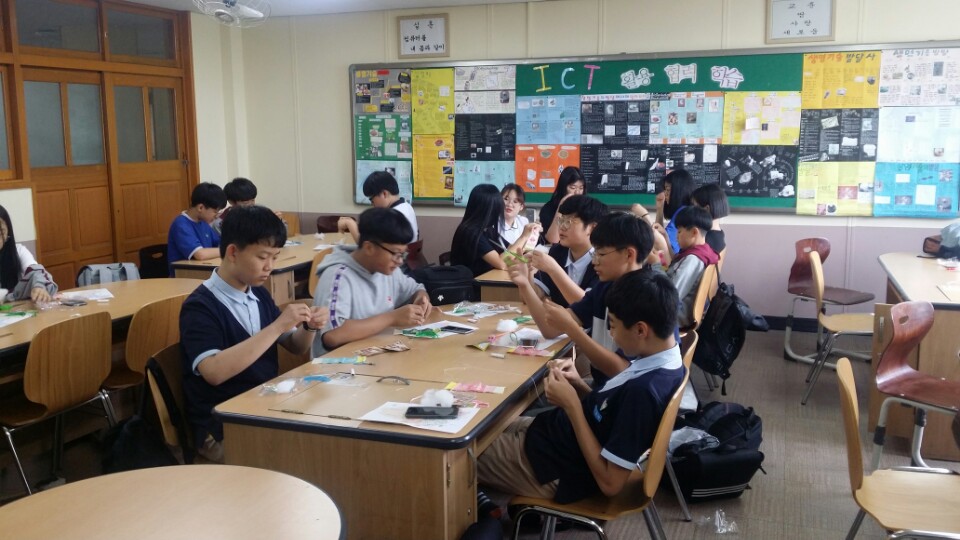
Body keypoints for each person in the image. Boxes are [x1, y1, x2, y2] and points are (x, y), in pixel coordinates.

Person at [477, 268, 685, 504]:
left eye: (613, 325)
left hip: (555, 466)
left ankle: (476, 509)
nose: (611, 334)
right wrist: (577, 384)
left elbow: (611, 484)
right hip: (554, 438)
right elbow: (609, 414)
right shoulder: (662, 360)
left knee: (453, 454)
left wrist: (572, 406)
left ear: (640, 330)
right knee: (486, 422)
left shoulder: (644, 392)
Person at [180, 205, 329, 462]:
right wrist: (277, 326)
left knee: (325, 431)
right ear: (233, 252)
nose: (270, 266)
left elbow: (296, 347)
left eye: (275, 257)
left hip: (263, 406)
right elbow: (214, 372)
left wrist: (310, 326)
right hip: (223, 425)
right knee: (306, 454)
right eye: (262, 257)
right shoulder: (200, 306)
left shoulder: (258, 293)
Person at [507, 212, 654, 389]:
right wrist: (524, 285)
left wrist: (571, 328)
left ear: (629, 255)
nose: (594, 262)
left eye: (601, 254)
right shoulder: (603, 288)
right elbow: (550, 329)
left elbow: (622, 371)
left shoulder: (645, 297)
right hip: (603, 389)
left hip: (624, 394)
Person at [312, 207, 432, 356]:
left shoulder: (387, 270)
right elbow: (333, 336)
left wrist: (421, 299)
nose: (400, 261)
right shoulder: (338, 276)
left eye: (403, 254)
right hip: (339, 364)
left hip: (376, 358)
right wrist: (392, 318)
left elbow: (416, 289)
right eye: (395, 253)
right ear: (369, 248)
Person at [527, 195, 608, 307]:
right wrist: (526, 277)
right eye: (561, 220)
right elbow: (536, 295)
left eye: (569, 222)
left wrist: (554, 269)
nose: (562, 227)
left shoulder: (604, 259)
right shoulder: (557, 251)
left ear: (592, 228)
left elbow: (588, 307)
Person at [666, 206, 719, 329]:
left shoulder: (693, 260)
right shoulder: (706, 250)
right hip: (684, 311)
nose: (676, 236)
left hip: (676, 316)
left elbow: (670, 297)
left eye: (679, 231)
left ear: (694, 232)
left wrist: (656, 265)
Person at [339, 171, 419, 243]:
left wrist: (349, 223)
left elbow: (366, 245)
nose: (372, 204)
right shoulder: (406, 206)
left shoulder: (394, 215)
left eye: (372, 200)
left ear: (384, 194)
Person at [167, 182, 227, 276]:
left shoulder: (203, 222)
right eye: (215, 212)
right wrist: (227, 250)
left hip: (202, 272)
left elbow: (220, 243)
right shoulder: (181, 224)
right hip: (184, 277)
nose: (216, 216)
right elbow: (200, 254)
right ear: (200, 208)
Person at [0, 205, 57, 303]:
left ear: (8, 231)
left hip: (15, 309)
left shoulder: (18, 251)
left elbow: (37, 271)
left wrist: (39, 287)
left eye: (1, 231)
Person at [450, 184, 509, 276]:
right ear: (488, 211)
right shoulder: (470, 232)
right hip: (470, 283)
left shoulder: (488, 230)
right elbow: (501, 264)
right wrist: (524, 237)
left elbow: (508, 251)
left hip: (485, 279)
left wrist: (525, 250)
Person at [656, 169, 696, 258]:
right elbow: (660, 234)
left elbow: (660, 243)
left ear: (679, 191)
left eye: (668, 190)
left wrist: (644, 216)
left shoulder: (682, 214)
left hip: (673, 262)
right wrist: (660, 208)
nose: (665, 194)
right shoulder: (685, 210)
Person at [540, 166, 586, 244]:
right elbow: (553, 240)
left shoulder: (587, 208)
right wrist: (561, 206)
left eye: (581, 188)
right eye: (573, 188)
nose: (577, 192)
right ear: (563, 188)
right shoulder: (548, 208)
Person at [690, 182, 730, 256]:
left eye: (694, 207)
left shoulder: (704, 240)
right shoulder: (719, 235)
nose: (692, 211)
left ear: (707, 209)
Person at [499, 183, 541, 251]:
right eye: (506, 199)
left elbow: (528, 248)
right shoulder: (493, 225)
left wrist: (535, 232)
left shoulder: (523, 221)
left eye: (515, 201)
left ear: (521, 207)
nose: (509, 204)